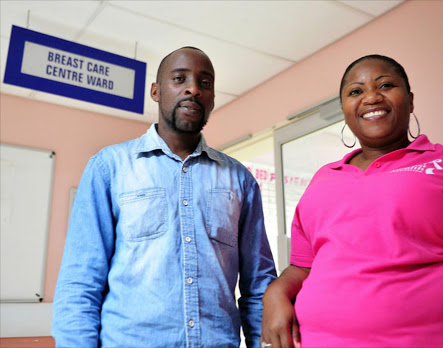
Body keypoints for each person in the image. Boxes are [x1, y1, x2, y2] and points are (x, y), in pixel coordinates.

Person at [260, 55, 443, 348]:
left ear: (410, 99)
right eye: (356, 91)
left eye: (386, 85)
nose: (371, 97)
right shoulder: (322, 180)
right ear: (344, 109)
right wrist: (274, 293)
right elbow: (304, 268)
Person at [52, 46, 277, 347]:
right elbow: (80, 281)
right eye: (179, 78)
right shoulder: (109, 168)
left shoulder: (240, 180)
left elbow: (259, 284)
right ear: (156, 91)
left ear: (211, 99)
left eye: (205, 83)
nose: (193, 89)